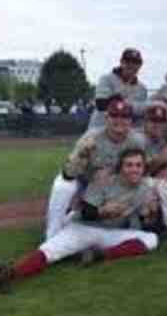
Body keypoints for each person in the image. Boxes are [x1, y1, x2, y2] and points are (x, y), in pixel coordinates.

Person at [0, 148, 161, 294]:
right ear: (121, 168)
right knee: (50, 251)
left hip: (111, 234)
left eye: (138, 165)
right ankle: (10, 273)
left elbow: (147, 221)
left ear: (144, 168)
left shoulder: (145, 188)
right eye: (129, 165)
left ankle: (98, 255)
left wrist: (150, 214)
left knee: (151, 238)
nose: (134, 169)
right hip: (84, 227)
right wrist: (102, 211)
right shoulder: (105, 181)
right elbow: (84, 211)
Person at [45, 96, 145, 241]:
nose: (119, 121)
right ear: (106, 118)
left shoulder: (136, 141)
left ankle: (77, 218)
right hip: (84, 182)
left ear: (131, 121)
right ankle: (52, 235)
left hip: (113, 188)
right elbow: (68, 174)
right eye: (114, 116)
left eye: (124, 117)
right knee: (62, 186)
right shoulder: (91, 137)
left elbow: (140, 172)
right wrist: (82, 154)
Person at [88, 48, 148, 130]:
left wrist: (119, 101)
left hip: (125, 133)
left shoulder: (142, 89)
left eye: (135, 62)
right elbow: (101, 104)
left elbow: (141, 115)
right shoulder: (106, 79)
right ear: (121, 62)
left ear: (140, 66)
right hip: (100, 128)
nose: (131, 65)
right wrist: (134, 107)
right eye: (127, 61)